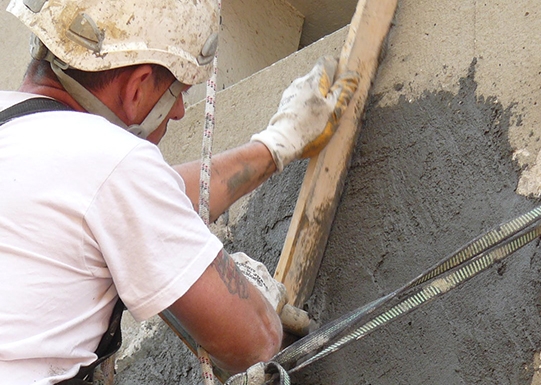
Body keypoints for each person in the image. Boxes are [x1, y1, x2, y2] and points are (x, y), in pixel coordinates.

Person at [0, 0, 359, 384]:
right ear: (137, 88)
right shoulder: (112, 163)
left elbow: (149, 201)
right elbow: (256, 343)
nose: (179, 113)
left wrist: (276, 145)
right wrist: (255, 298)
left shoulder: (30, 141)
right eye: (178, 92)